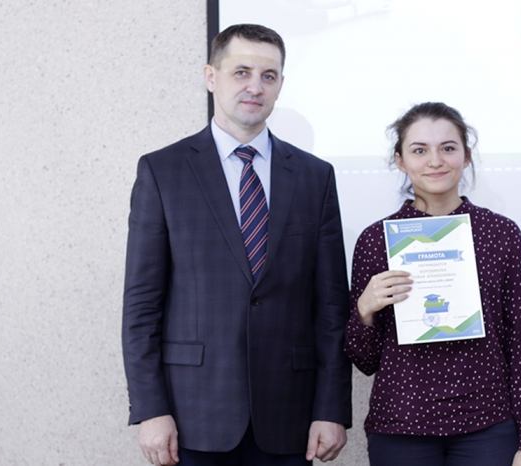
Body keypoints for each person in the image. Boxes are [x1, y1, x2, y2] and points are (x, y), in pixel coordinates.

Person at [122, 24, 352, 466]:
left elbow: (330, 309)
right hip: (193, 414)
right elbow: (141, 306)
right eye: (241, 72)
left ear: (280, 84)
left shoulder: (314, 176)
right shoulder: (162, 171)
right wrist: (150, 409)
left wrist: (331, 408)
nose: (255, 86)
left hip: (289, 415)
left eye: (268, 76)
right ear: (211, 77)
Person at [344, 102, 521, 466]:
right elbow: (366, 361)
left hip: (487, 424)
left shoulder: (501, 234)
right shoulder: (376, 240)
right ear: (400, 161)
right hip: (401, 425)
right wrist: (364, 311)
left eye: (448, 148)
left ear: (466, 157)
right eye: (419, 150)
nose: (435, 161)